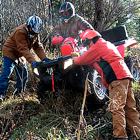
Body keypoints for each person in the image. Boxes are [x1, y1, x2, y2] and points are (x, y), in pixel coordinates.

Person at [71, 29, 140, 139]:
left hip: (117, 78)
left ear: (91, 40)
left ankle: (120, 136)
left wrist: (74, 57)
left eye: (87, 44)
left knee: (116, 108)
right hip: (125, 77)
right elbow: (101, 67)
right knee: (130, 107)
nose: (88, 47)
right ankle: (137, 133)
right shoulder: (107, 44)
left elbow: (80, 60)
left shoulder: (97, 46)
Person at [0, 15, 50, 101]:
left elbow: (37, 47)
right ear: (28, 26)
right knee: (7, 73)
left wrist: (44, 59)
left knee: (24, 74)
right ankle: (1, 94)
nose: (33, 33)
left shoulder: (35, 33)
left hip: (19, 54)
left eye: (35, 32)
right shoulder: (20, 32)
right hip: (10, 52)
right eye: (32, 31)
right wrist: (33, 62)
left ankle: (18, 94)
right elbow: (23, 48)